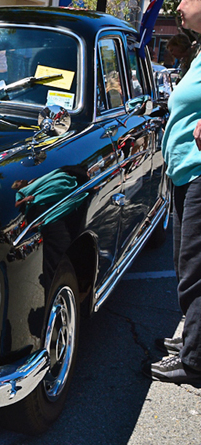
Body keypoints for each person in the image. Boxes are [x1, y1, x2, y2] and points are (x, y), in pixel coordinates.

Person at [149, 0, 201, 384]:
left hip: (199, 172)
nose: (179, 5)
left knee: (195, 269)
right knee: (187, 264)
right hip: (187, 171)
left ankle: (195, 360)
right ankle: (194, 341)